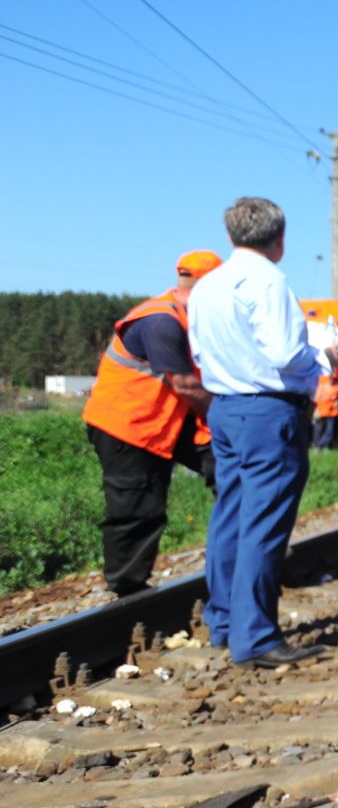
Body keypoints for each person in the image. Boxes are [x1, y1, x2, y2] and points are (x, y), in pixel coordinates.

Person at [188, 197, 338, 669]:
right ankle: (255, 637)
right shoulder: (270, 281)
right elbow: (283, 351)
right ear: (280, 239)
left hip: (225, 408)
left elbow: (199, 348)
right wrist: (323, 357)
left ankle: (225, 622)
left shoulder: (206, 285)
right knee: (264, 522)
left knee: (230, 515)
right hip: (268, 411)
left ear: (232, 235)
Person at [81, 250, 223, 596]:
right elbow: (186, 385)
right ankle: (128, 594)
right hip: (127, 426)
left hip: (167, 421)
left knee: (229, 466)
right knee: (138, 509)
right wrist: (232, 417)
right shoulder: (162, 322)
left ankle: (253, 550)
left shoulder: (192, 319)